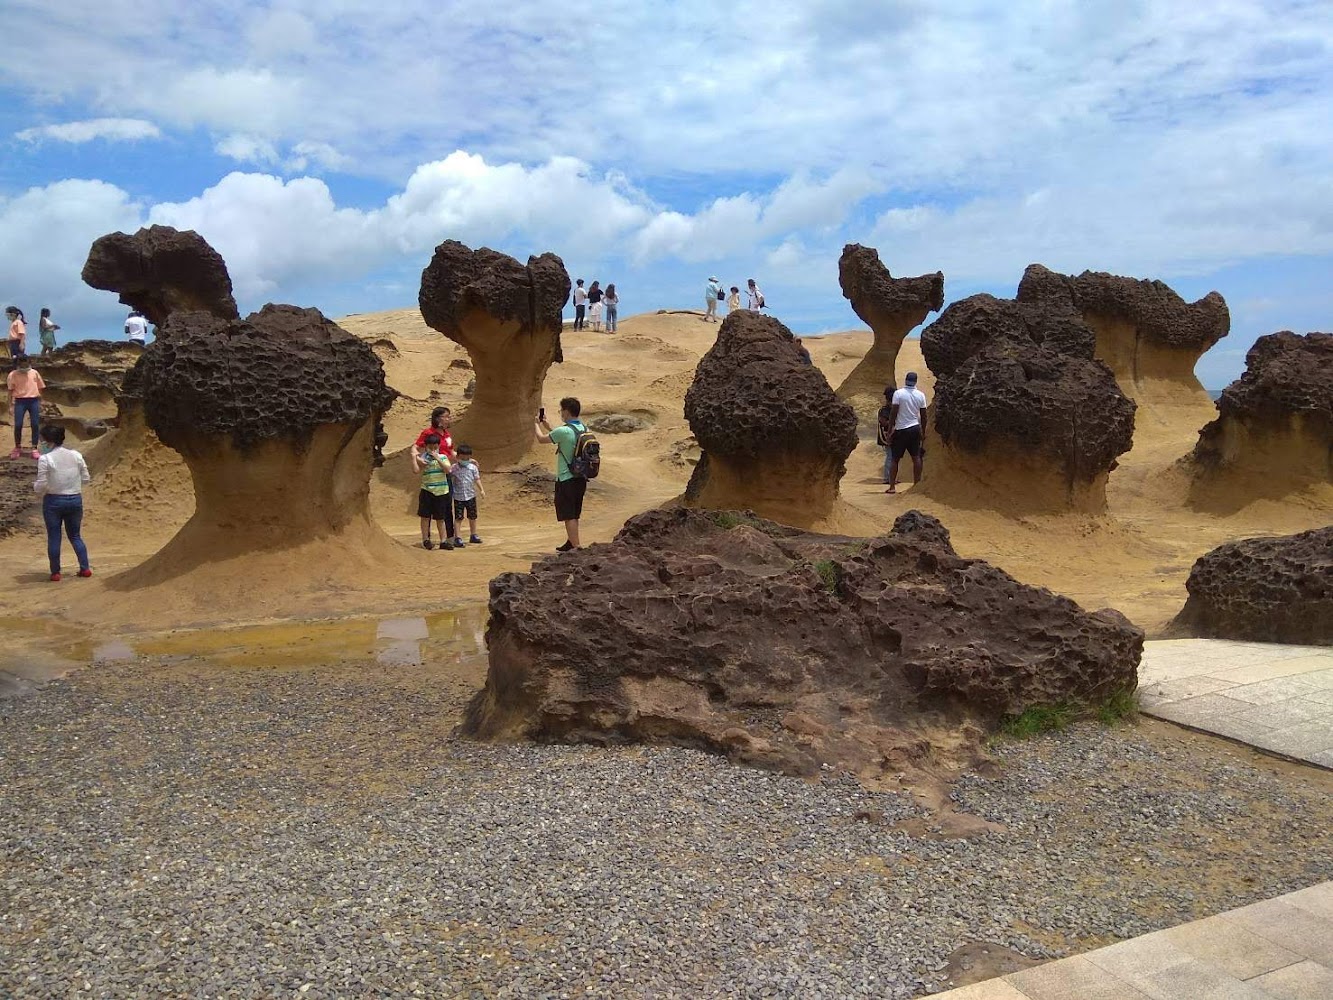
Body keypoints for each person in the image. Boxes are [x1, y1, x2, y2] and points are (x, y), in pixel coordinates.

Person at [33, 424, 92, 581]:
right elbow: (86, 478)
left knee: (54, 536)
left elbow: (41, 484)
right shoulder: (76, 455)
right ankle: (85, 568)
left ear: (48, 441)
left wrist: (37, 489)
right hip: (75, 499)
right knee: (75, 535)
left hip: (54, 500)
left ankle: (55, 572)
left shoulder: (45, 459)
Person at [534, 396, 588, 552]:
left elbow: (541, 439)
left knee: (568, 514)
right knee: (574, 512)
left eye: (561, 410)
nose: (561, 413)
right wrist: (548, 425)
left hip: (566, 478)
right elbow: (563, 438)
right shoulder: (583, 429)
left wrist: (536, 425)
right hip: (581, 477)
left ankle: (576, 547)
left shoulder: (563, 431)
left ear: (566, 411)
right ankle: (571, 542)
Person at [885, 371, 928, 494]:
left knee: (895, 459)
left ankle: (892, 487)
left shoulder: (898, 394)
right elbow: (924, 416)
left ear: (905, 380)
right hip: (915, 428)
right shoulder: (920, 395)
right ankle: (916, 484)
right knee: (916, 457)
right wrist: (923, 431)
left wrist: (889, 431)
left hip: (901, 429)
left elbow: (893, 413)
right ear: (915, 381)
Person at [413, 432, 454, 550]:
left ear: (439, 446)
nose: (433, 450)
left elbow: (447, 470)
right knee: (425, 516)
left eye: (435, 447)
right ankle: (425, 539)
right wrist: (415, 457)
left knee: (440, 518)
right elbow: (416, 470)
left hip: (441, 491)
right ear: (425, 447)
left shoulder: (443, 457)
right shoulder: (423, 458)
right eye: (430, 447)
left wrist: (437, 458)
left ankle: (443, 541)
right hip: (427, 490)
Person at [7, 354, 43, 459]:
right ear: (18, 364)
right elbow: (10, 391)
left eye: (26, 363)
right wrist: (10, 406)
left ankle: (34, 448)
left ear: (28, 362)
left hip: (33, 401)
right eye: (22, 364)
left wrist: (41, 401)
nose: (24, 365)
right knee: (18, 425)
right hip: (20, 402)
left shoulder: (34, 373)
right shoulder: (13, 374)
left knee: (35, 424)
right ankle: (17, 447)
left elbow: (40, 387)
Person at [451, 444, 486, 545]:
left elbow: (477, 479)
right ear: (457, 457)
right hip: (458, 496)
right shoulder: (454, 468)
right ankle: (457, 537)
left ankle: (473, 534)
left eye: (467, 458)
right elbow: (449, 476)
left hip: (470, 495)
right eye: (462, 458)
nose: (465, 460)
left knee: (472, 516)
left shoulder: (472, 468)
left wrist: (481, 490)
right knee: (458, 517)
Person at [876, 385, 897, 484]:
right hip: (887, 436)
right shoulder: (884, 410)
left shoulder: (886, 409)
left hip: (891, 435)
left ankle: (890, 477)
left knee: (892, 456)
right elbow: (883, 422)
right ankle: (888, 478)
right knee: (890, 456)